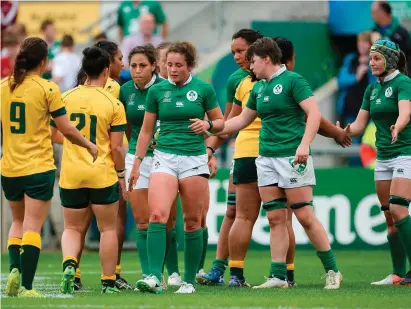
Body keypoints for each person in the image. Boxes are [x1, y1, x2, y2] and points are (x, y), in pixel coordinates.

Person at [218, 37, 343, 289]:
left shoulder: (293, 81)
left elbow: (315, 114)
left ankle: (332, 270)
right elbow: (240, 121)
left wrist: (304, 144)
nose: (249, 66)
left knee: (305, 215)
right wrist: (210, 127)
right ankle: (278, 276)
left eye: (252, 61)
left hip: (291, 157)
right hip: (265, 159)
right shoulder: (259, 88)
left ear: (266, 59)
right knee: (275, 218)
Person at [2, 37, 97, 298]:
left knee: (18, 222)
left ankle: (14, 270)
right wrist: (88, 144)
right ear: (43, 61)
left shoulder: (3, 86)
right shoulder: (48, 89)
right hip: (38, 166)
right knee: (33, 225)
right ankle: (27, 287)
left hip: (9, 167)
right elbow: (65, 128)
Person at [129, 42, 224, 294]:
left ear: (190, 65)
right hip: (164, 158)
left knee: (192, 221)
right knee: (157, 215)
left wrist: (208, 127)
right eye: (169, 64)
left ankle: (189, 280)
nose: (172, 69)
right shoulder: (157, 91)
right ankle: (152, 276)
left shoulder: (203, 89)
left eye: (178, 65)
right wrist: (137, 163)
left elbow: (220, 122)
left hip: (194, 159)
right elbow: (146, 130)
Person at [52, 46, 127, 295]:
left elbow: (56, 134)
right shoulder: (113, 103)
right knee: (107, 229)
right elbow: (116, 147)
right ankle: (107, 282)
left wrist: (79, 142)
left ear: (84, 70)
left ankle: (70, 265)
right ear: (106, 70)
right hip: (101, 174)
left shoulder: (65, 97)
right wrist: (121, 174)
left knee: (72, 228)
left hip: (72, 174)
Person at [200, 29, 263, 286]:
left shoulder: (276, 76)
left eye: (241, 51)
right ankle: (219, 270)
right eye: (233, 52)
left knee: (280, 216)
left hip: (275, 154)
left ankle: (283, 274)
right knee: (232, 211)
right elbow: (227, 123)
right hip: (244, 153)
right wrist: (209, 149)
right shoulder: (236, 80)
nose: (237, 57)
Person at [346, 39, 411, 286]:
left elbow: (405, 111)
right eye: (370, 58)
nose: (370, 62)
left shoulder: (403, 83)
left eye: (376, 58)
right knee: (389, 217)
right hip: (383, 157)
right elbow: (360, 125)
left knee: (398, 207)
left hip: (406, 152)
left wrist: (400, 125)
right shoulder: (372, 89)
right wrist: (338, 132)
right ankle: (397, 274)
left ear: (390, 60)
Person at [74, 40, 131, 291]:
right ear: (107, 64)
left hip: (78, 162)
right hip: (108, 160)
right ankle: (112, 274)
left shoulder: (76, 89)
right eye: (119, 58)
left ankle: (73, 272)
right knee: (113, 219)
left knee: (78, 223)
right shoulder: (114, 90)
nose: (123, 63)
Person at [120, 44, 166, 284]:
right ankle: (149, 275)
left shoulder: (165, 88)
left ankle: (174, 273)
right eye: (133, 66)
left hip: (164, 158)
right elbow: (126, 126)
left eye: (142, 66)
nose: (137, 70)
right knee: (141, 221)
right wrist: (133, 151)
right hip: (135, 158)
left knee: (161, 219)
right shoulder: (125, 90)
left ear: (154, 66)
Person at [371, 1, 411, 75]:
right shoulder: (373, 31)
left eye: (373, 12)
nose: (372, 15)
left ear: (382, 12)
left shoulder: (401, 32)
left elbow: (407, 55)